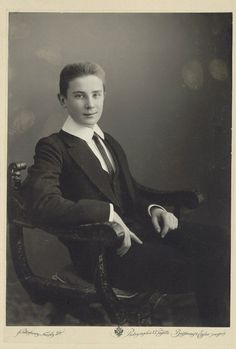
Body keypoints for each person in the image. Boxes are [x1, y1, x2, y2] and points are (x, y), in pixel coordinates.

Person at [22, 62, 230, 326]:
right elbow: (42, 203)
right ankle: (216, 332)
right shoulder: (53, 147)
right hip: (103, 252)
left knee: (221, 239)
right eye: (79, 95)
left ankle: (216, 331)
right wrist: (104, 212)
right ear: (62, 100)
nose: (90, 104)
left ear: (104, 95)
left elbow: (131, 193)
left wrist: (156, 209)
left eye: (96, 94)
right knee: (210, 264)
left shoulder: (109, 142)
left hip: (139, 232)